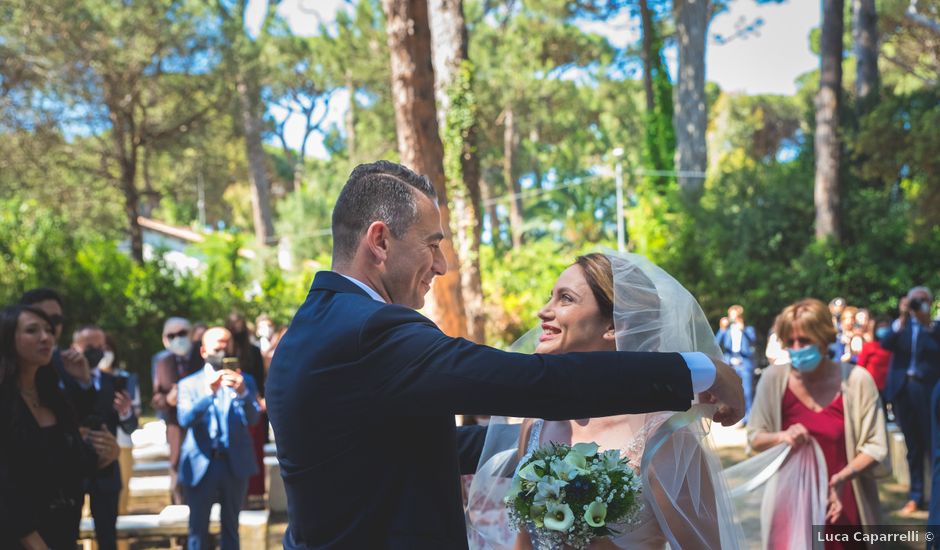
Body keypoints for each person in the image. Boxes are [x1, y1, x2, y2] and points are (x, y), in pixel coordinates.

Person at [266, 161, 744, 549]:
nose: (442, 265)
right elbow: (530, 382)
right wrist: (699, 370)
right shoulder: (371, 329)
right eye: (432, 245)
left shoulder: (310, 329)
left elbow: (392, 449)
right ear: (380, 240)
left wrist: (542, 441)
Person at [467, 253, 741, 549]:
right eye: (551, 297)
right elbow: (524, 541)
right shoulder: (537, 422)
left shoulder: (664, 438)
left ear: (614, 326)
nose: (543, 311)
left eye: (565, 299)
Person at [748, 298, 888, 548]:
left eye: (804, 341)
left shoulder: (857, 381)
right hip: (790, 505)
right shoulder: (773, 380)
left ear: (824, 339)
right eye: (790, 342)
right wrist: (782, 436)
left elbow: (876, 445)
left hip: (843, 505)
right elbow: (755, 438)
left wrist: (843, 477)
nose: (797, 348)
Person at [0, 305, 119, 549]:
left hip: (62, 534)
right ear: (8, 338)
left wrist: (109, 454)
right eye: (32, 330)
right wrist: (33, 542)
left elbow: (74, 464)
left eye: (48, 330)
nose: (45, 337)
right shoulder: (5, 400)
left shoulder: (54, 397)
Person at [177, 327, 261, 550]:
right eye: (217, 347)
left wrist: (243, 392)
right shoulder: (188, 384)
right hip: (201, 463)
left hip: (234, 464)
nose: (222, 352)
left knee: (231, 527)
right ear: (204, 351)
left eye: (227, 346)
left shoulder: (246, 381)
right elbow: (184, 419)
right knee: (197, 528)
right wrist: (209, 394)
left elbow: (253, 419)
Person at [68, 325, 138, 550]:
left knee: (108, 536)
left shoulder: (114, 383)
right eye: (90, 347)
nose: (97, 352)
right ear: (74, 348)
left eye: (101, 347)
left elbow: (129, 427)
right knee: (66, 534)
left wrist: (126, 412)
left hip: (107, 468)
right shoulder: (59, 382)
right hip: (70, 471)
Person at [882, 286, 940, 515]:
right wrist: (903, 316)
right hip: (904, 391)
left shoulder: (934, 329)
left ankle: (934, 499)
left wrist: (927, 325)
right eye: (914, 301)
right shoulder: (902, 327)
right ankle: (915, 496)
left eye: (922, 301)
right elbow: (885, 344)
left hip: (928, 391)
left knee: (932, 445)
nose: (918, 305)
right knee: (912, 446)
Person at [224, 312, 267, 501]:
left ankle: (254, 494)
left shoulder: (254, 351)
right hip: (228, 400)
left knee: (255, 448)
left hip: (251, 399)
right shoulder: (224, 350)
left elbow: (261, 379)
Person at [152, 316, 193, 505]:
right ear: (164, 339)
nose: (178, 338)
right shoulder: (162, 362)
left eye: (182, 333)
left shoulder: (202, 358)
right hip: (176, 426)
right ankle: (180, 513)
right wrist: (168, 400)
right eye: (172, 335)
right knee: (177, 472)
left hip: (203, 426)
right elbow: (156, 397)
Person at [715, 305, 758, 423]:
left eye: (736, 316)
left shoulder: (748, 329)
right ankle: (736, 417)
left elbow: (753, 341)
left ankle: (749, 419)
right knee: (732, 393)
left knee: (748, 392)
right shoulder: (727, 331)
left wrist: (743, 329)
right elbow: (716, 343)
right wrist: (722, 329)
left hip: (744, 364)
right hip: (731, 364)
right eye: (731, 316)